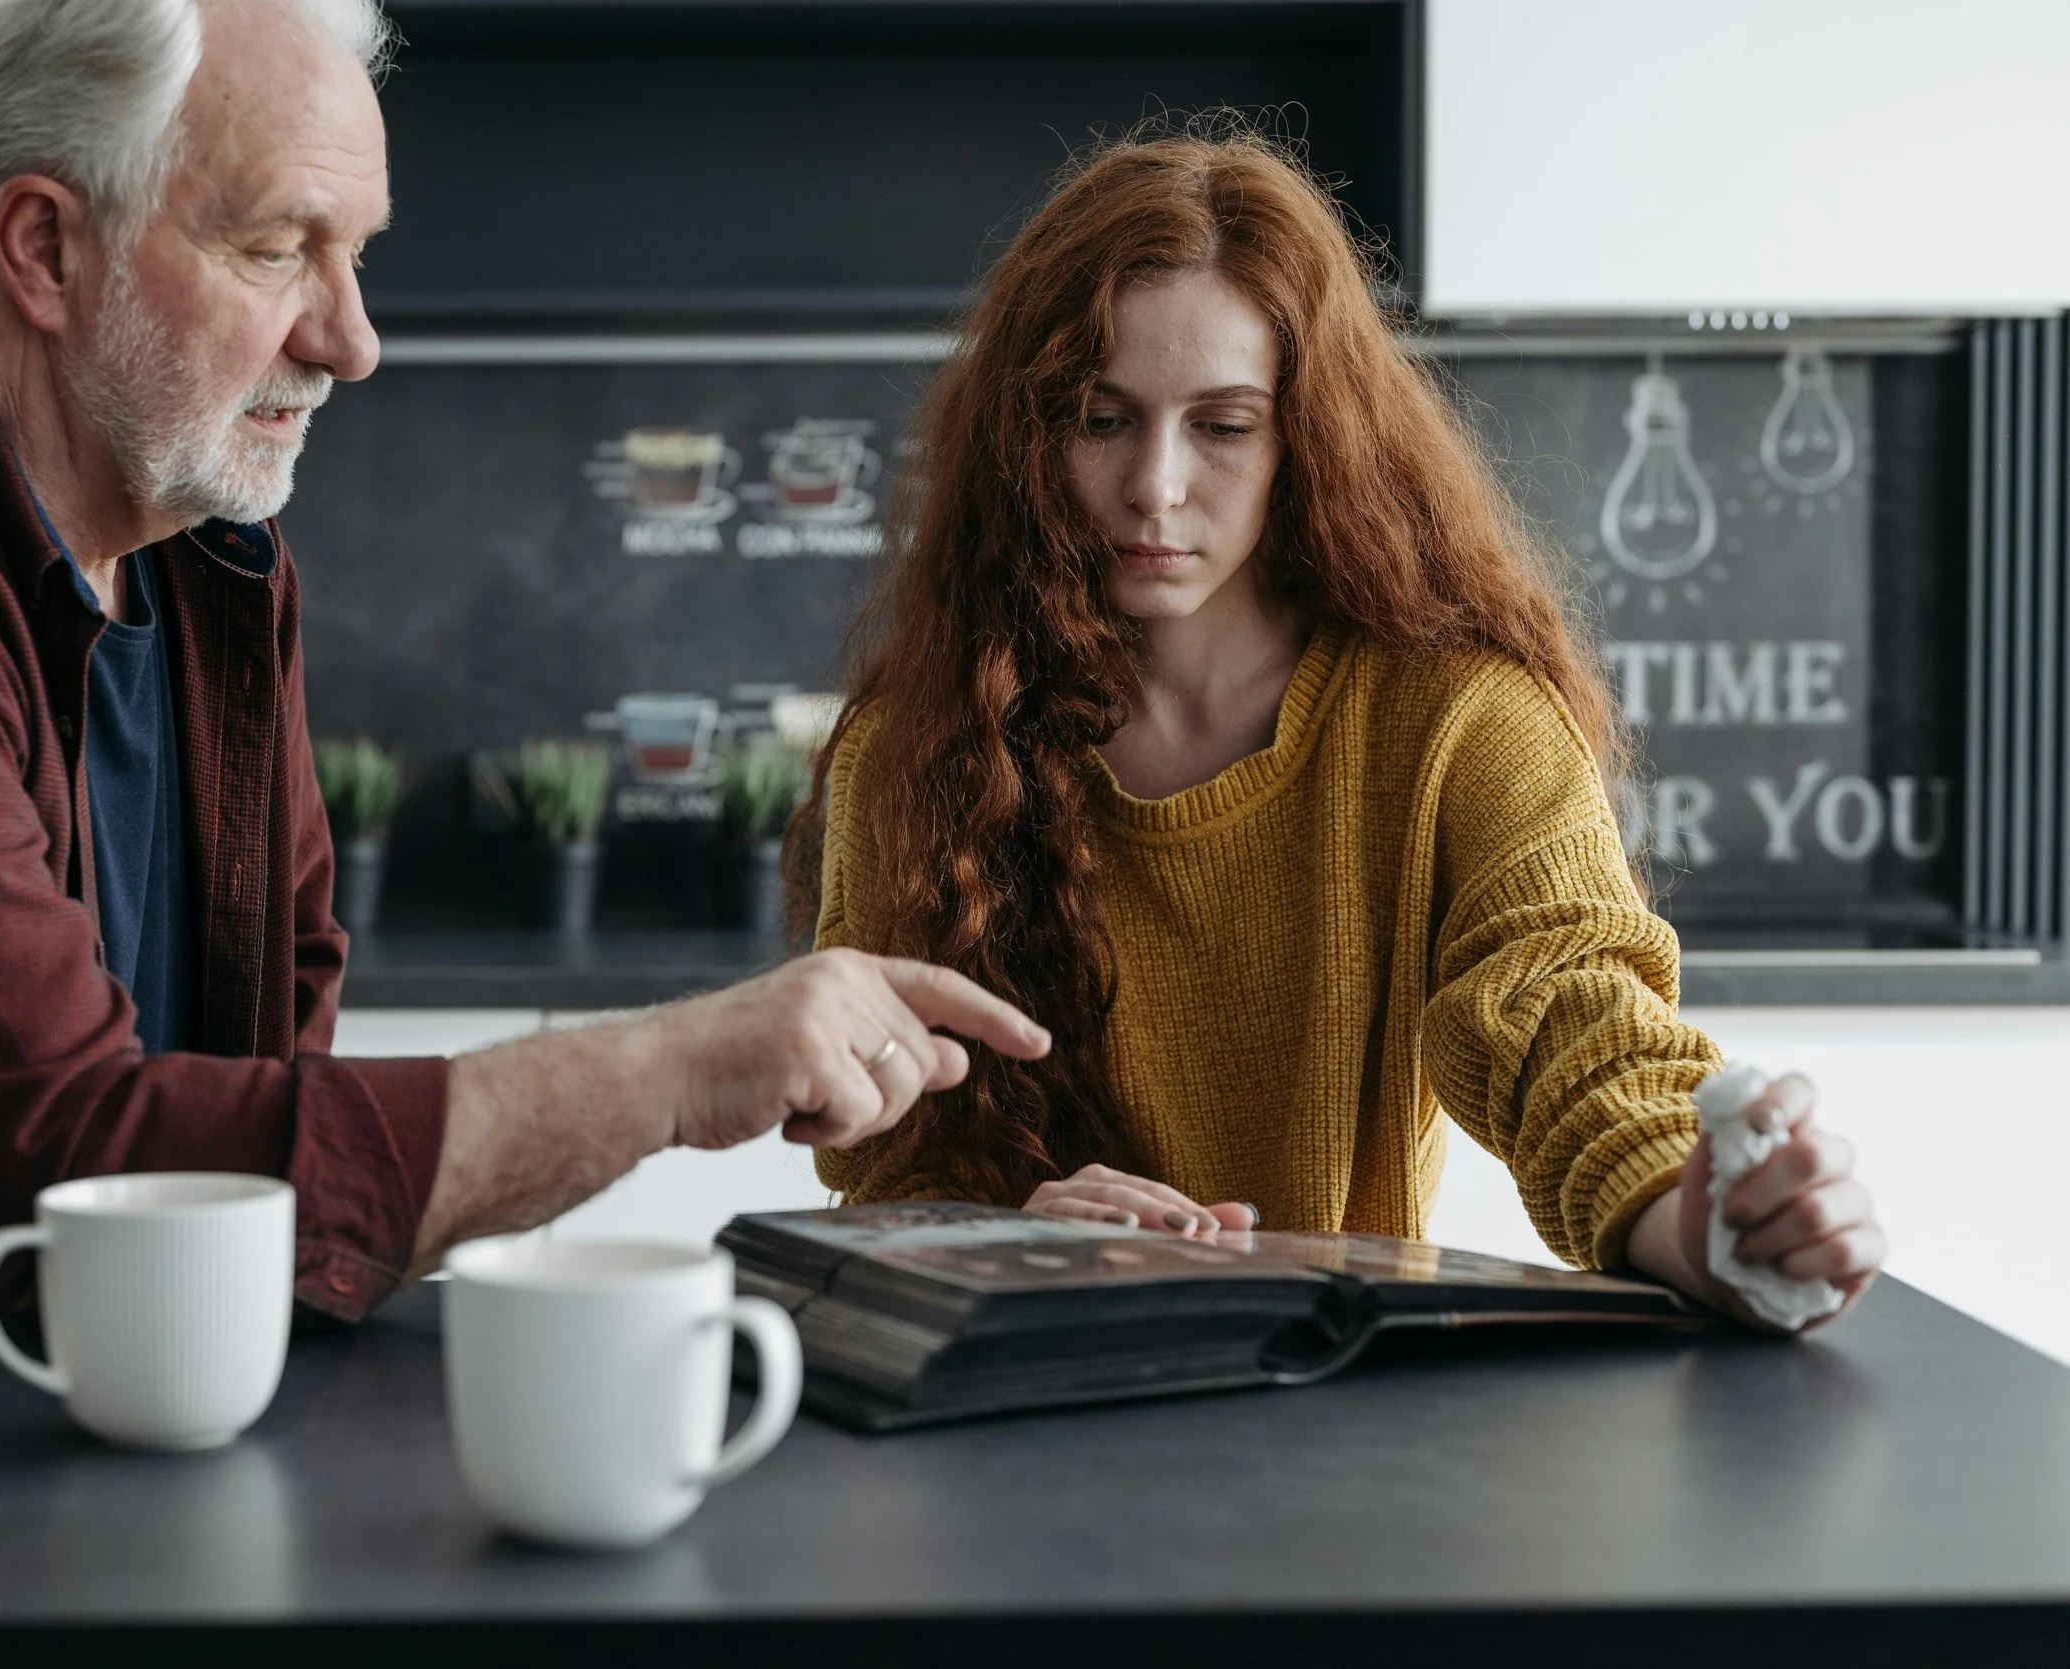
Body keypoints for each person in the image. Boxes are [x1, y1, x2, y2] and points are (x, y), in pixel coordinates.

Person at [0, 0, 1050, 1320]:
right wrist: (669, 1072)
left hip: (57, 1398)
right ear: (43, 248)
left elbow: (276, 1089)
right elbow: (78, 1181)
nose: (352, 340)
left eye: (357, 256)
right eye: (278, 248)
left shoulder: (208, 553)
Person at [796, 125, 1885, 1328]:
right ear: (1026, 434)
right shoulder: (916, 743)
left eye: (1221, 426)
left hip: (1335, 1407)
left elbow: (1576, 1033)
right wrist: (1009, 1240)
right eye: (1101, 419)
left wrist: (1716, 1221)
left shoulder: (1458, 724)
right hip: (1001, 1408)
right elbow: (889, 1172)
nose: (1155, 486)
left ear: (1303, 438)